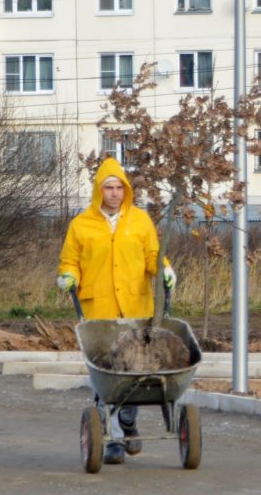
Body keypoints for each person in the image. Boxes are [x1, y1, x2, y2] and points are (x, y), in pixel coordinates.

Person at [58, 157, 176, 464]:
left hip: (136, 310)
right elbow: (70, 260)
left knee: (133, 372)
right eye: (108, 188)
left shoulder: (140, 221)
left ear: (126, 190)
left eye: (119, 188)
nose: (114, 193)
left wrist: (164, 269)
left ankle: (127, 423)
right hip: (99, 313)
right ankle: (110, 438)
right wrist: (68, 275)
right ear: (99, 190)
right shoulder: (81, 224)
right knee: (104, 376)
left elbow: (152, 255)